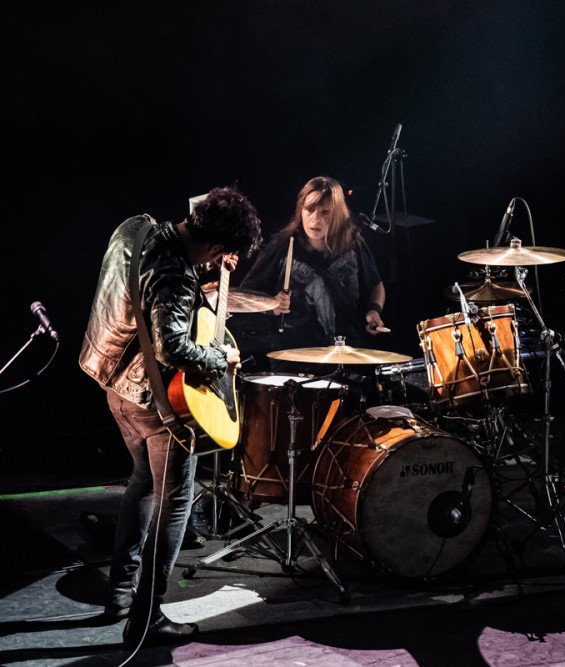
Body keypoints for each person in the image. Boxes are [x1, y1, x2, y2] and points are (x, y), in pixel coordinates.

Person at [79, 186, 262, 645]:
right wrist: (222, 358)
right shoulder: (177, 277)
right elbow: (171, 346)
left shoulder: (135, 227)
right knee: (174, 501)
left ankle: (120, 593)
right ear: (219, 246)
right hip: (154, 403)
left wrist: (205, 271)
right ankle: (146, 619)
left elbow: (144, 293)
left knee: (141, 482)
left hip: (110, 381)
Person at [240, 176, 386, 369]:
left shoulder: (354, 244)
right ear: (301, 209)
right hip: (292, 358)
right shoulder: (282, 246)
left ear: (338, 215)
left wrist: (374, 310)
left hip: (345, 355)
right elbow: (245, 296)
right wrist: (272, 305)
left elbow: (376, 285)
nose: (315, 219)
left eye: (325, 212)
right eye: (309, 209)